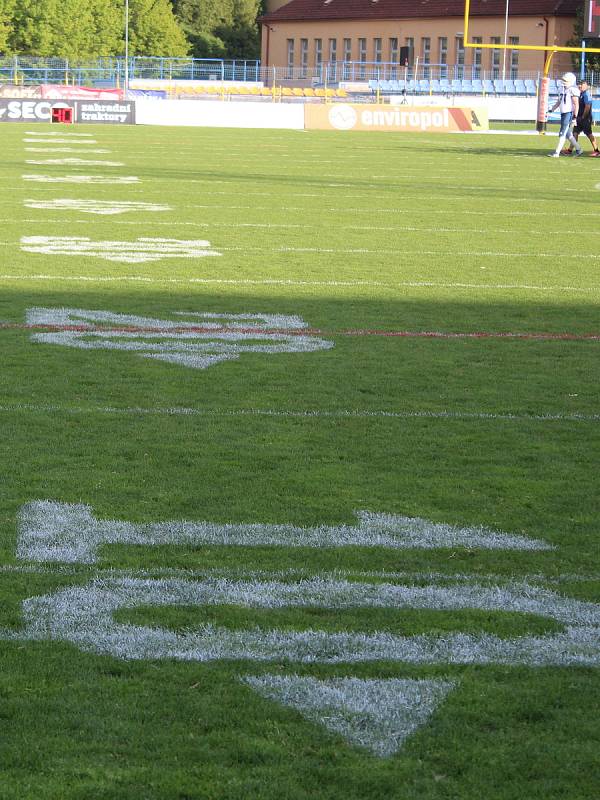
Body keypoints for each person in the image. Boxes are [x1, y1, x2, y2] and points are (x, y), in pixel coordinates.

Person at [548, 72, 582, 158]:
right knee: (568, 134)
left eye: (565, 80)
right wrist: (551, 109)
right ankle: (578, 149)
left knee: (562, 133)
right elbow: (559, 102)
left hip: (568, 114)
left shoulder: (573, 90)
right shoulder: (562, 89)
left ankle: (556, 153)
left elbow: (576, 104)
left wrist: (574, 117)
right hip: (563, 114)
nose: (563, 82)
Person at [564, 80, 600, 156]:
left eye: (582, 85)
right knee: (575, 133)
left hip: (585, 118)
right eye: (579, 85)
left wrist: (583, 116)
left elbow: (587, 106)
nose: (580, 86)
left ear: (586, 86)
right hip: (579, 118)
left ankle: (597, 151)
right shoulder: (580, 93)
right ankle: (570, 150)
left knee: (589, 134)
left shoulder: (586, 94)